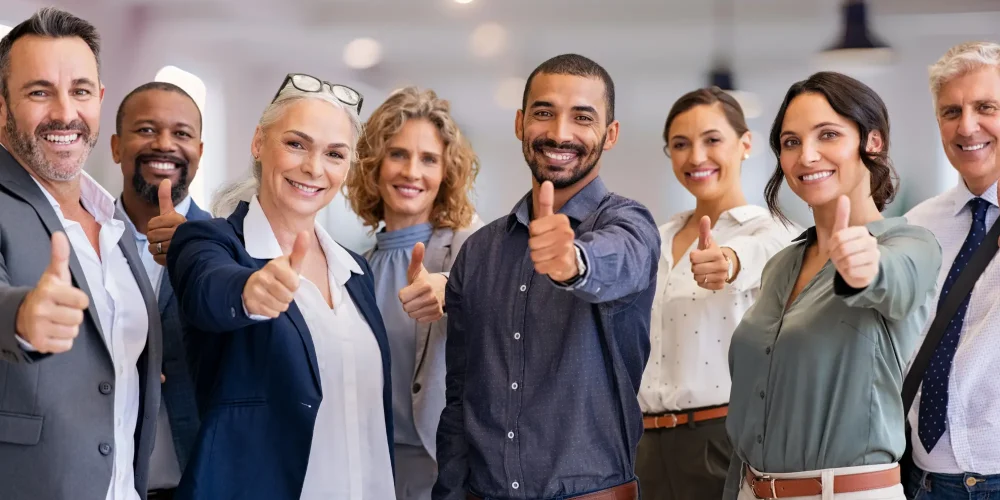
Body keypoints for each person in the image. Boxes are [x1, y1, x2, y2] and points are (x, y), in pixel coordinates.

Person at [432, 53, 661, 500]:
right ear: (520, 123)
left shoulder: (629, 225)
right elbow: (458, 401)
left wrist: (573, 262)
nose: (559, 133)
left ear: (609, 134)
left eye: (582, 117)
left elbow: (622, 260)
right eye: (544, 113)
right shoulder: (479, 252)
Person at [166, 73, 395, 500]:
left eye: (334, 154)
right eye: (296, 144)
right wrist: (249, 290)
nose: (313, 167)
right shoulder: (211, 242)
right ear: (258, 143)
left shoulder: (355, 271)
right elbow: (207, 289)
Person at [724, 71, 942, 500]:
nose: (807, 156)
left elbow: (896, 280)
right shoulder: (782, 264)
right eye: (791, 142)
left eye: (828, 135)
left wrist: (865, 269)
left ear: (872, 142)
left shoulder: (909, 242)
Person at [0, 8, 162, 500]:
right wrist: (22, 316)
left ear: (101, 101)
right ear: (2, 105)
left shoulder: (114, 220)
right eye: (38, 91)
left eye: (81, 90)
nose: (65, 112)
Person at [635, 87, 798, 500]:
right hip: (646, 444)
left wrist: (728, 261)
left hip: (721, 441)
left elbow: (754, 256)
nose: (696, 157)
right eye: (680, 144)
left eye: (712, 140)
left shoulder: (773, 232)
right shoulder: (656, 238)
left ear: (745, 145)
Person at [345, 86, 483, 500]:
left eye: (429, 159)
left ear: (446, 173)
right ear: (374, 163)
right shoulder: (354, 265)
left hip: (443, 467)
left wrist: (452, 291)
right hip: (368, 464)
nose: (411, 172)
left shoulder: (469, 248)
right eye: (398, 154)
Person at [902, 41, 1000, 499]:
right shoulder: (918, 225)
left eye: (986, 107)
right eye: (950, 111)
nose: (967, 126)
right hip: (924, 479)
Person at [111, 81, 211, 500]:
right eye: (147, 130)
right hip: (102, 481)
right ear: (116, 147)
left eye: (181, 133)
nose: (164, 145)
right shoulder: (82, 242)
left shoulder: (230, 248)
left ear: (200, 153)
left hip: (197, 481)